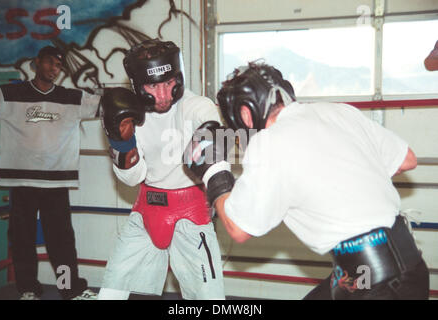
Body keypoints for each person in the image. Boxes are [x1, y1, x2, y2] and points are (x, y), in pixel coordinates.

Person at [184, 62, 429, 300]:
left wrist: (214, 171)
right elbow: (406, 160)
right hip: (405, 267)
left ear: (245, 114)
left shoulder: (269, 141)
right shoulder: (339, 111)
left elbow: (238, 228)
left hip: (373, 284)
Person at [98, 39, 225, 300]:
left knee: (209, 299)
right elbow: (133, 178)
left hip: (192, 214)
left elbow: (212, 123)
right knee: (112, 292)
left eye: (168, 83)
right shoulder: (131, 115)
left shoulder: (194, 105)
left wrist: (212, 132)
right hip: (147, 210)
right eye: (153, 86)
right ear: (137, 85)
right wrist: (123, 144)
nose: (164, 95)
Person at [0, 46, 101, 300]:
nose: (54, 69)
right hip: (21, 180)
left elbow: (111, 106)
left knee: (61, 242)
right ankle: (28, 290)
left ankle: (70, 289)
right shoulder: (9, 93)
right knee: (22, 240)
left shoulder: (71, 98)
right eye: (49, 63)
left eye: (58, 66)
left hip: (56, 180)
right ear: (36, 63)